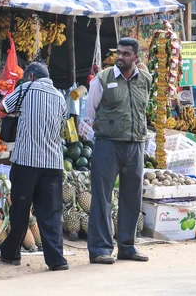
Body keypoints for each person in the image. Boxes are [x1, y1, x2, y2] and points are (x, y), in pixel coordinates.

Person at [0, 62, 68, 271]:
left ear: (30, 76)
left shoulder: (27, 88)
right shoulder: (60, 96)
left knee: (20, 209)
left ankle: (11, 254)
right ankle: (56, 260)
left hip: (26, 162)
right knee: (51, 213)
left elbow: (2, 108)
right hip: (53, 163)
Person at [86, 37, 151, 265]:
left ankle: (127, 246)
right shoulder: (103, 78)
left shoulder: (145, 80)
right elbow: (90, 111)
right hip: (107, 144)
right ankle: (100, 249)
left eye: (125, 54)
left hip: (135, 144)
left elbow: (143, 109)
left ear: (136, 57)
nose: (120, 57)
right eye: (119, 53)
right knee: (102, 197)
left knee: (132, 197)